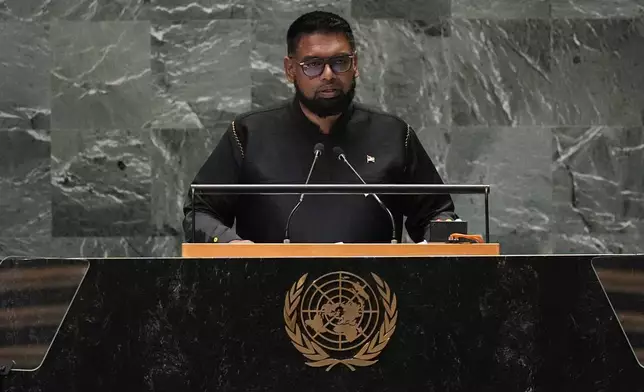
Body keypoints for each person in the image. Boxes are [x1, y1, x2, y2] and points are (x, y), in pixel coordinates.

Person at [182, 10, 457, 244]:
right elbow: (199, 213)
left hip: (375, 297)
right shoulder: (249, 134)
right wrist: (231, 244)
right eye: (313, 65)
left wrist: (444, 234)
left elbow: (438, 214)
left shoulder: (394, 135)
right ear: (290, 70)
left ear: (356, 65)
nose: (328, 75)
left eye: (340, 62)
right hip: (268, 295)